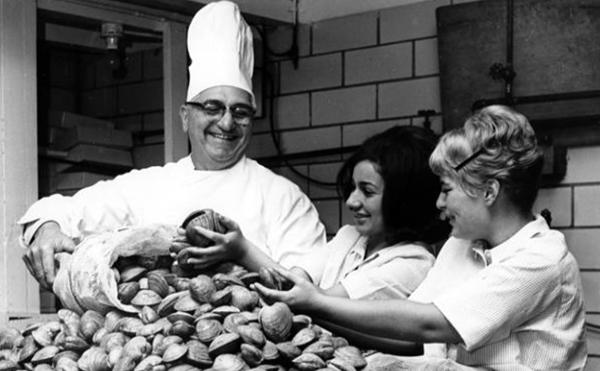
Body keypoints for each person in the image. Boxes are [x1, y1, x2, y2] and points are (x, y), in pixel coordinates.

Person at [19, 1, 325, 291]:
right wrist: (47, 228)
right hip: (155, 342)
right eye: (213, 107)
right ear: (185, 116)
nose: (227, 123)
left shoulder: (283, 198)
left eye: (240, 111)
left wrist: (241, 254)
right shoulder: (152, 185)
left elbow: (305, 292)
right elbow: (61, 210)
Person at [253, 105, 588, 370]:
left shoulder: (542, 262)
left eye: (446, 190)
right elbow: (411, 338)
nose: (439, 204)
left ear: (489, 191)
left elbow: (432, 325)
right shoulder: (463, 244)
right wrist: (315, 313)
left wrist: (317, 303)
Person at [184, 125, 449, 302]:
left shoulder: (413, 263)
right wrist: (235, 250)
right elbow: (292, 283)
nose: (352, 201)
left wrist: (242, 251)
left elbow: (319, 303)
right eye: (352, 188)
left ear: (405, 199)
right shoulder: (349, 237)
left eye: (367, 192)